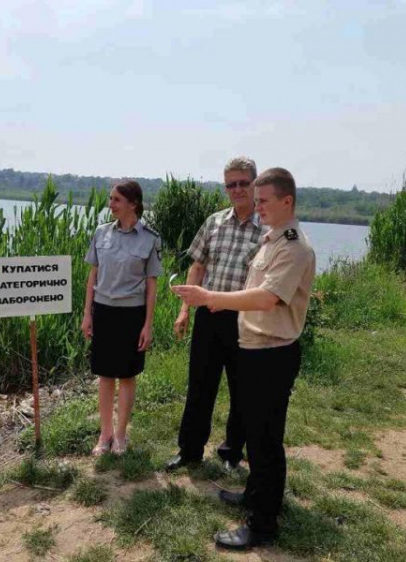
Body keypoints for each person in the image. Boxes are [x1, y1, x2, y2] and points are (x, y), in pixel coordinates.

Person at [173, 167, 316, 549]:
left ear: (287, 201)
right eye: (256, 200)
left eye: (263, 200)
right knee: (256, 435)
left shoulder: (293, 246)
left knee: (266, 441)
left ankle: (262, 525)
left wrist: (210, 298)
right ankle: (256, 496)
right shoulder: (272, 240)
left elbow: (267, 298)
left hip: (273, 352)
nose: (258, 206)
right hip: (255, 348)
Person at [165, 156, 263, 472]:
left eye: (243, 183)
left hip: (245, 319)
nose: (236, 190)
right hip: (209, 316)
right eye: (230, 184)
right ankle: (189, 451)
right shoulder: (215, 222)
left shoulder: (268, 229)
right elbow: (197, 266)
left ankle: (232, 452)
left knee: (243, 390)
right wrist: (184, 311)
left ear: (255, 184)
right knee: (200, 386)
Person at [82, 180, 162, 456]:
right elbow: (92, 275)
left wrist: (147, 324)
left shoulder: (150, 239)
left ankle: (121, 436)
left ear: (133, 204)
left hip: (132, 314)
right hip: (103, 311)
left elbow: (152, 285)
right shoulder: (101, 233)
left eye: (116, 199)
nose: (110, 204)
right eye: (110, 198)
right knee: (105, 375)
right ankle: (104, 436)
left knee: (127, 376)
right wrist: (87, 315)